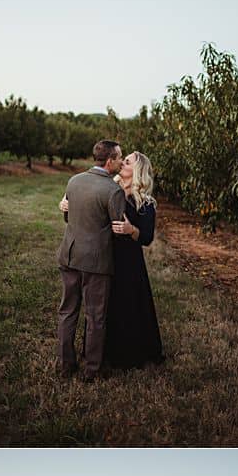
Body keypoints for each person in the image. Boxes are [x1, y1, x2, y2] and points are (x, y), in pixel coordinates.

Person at [60, 150, 163, 371]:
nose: (121, 163)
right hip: (102, 256)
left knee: (126, 306)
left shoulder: (145, 203)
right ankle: (98, 354)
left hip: (128, 263)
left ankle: (124, 355)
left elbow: (147, 237)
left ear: (137, 171)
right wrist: (67, 204)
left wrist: (131, 229)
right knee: (99, 308)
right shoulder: (108, 189)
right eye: (122, 160)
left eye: (126, 162)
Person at [56, 140, 127, 382]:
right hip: (96, 263)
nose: (121, 161)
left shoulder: (73, 181)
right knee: (95, 316)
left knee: (67, 311)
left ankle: (65, 365)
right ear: (109, 161)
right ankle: (92, 369)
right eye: (119, 158)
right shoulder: (113, 191)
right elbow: (118, 230)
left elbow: (67, 216)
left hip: (70, 254)